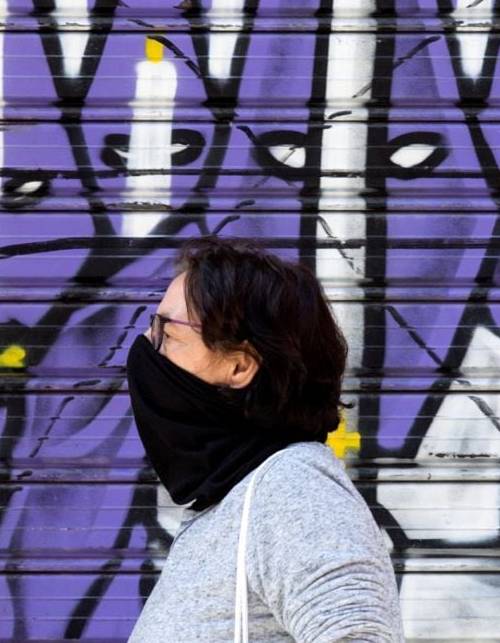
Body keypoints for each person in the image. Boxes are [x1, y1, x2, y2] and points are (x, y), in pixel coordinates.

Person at [126, 236, 404, 642]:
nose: (147, 349)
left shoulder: (293, 489)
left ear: (240, 365)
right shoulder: (230, 497)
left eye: (168, 333)